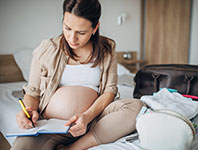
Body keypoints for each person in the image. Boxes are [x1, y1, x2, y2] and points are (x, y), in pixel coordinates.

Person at [11, 0, 144, 149]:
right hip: (51, 127)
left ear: (95, 28)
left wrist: (86, 117)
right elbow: (33, 92)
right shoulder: (46, 49)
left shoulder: (107, 48)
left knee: (136, 107)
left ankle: (74, 148)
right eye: (67, 28)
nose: (72, 38)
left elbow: (109, 90)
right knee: (20, 147)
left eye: (81, 33)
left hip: (94, 121)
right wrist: (29, 111)